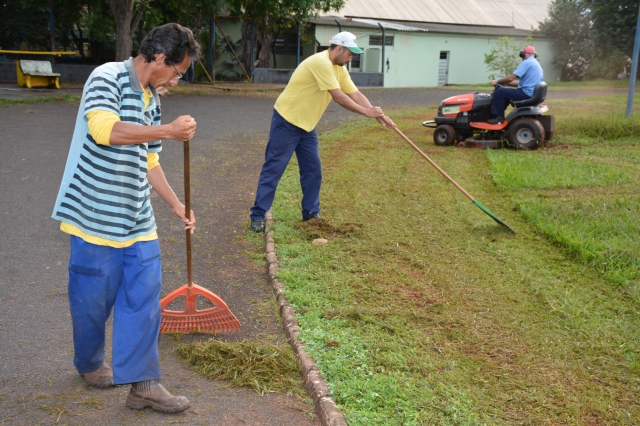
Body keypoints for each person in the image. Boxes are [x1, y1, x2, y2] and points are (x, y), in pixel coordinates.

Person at [51, 23, 199, 413]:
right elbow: (104, 130)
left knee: (144, 297)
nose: (177, 81)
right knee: (91, 302)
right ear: (162, 59)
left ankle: (144, 385)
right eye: (178, 72)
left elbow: (149, 160)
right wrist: (168, 130)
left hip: (136, 218)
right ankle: (88, 362)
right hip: (94, 216)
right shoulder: (107, 77)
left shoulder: (152, 99)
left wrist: (175, 205)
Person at [249, 31, 396, 232]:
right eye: (350, 53)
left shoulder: (339, 69)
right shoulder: (321, 63)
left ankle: (311, 216)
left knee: (313, 171)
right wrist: (366, 112)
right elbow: (339, 98)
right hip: (287, 121)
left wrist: (378, 114)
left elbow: (355, 94)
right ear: (339, 48)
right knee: (274, 170)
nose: (351, 57)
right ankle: (257, 217)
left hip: (307, 126)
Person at [488, 45, 544, 124]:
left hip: (526, 94)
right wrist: (504, 82)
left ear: (523, 54)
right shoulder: (536, 64)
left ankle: (498, 117)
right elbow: (521, 83)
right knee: (504, 90)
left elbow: (511, 78)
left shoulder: (526, 63)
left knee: (500, 92)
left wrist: (497, 81)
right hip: (532, 93)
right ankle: (498, 115)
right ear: (535, 54)